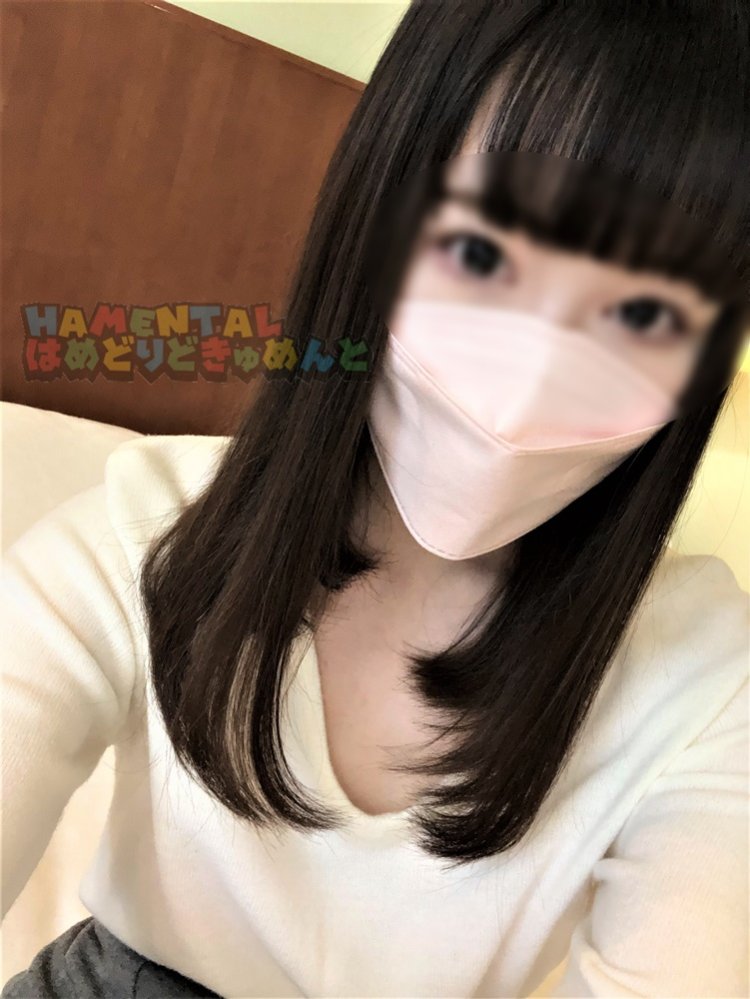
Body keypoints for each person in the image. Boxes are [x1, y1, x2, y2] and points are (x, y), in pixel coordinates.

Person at [2, 2, 749, 997]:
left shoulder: (707, 678)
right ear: (374, 208)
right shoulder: (142, 530)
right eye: (479, 255)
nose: (524, 390)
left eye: (645, 313)